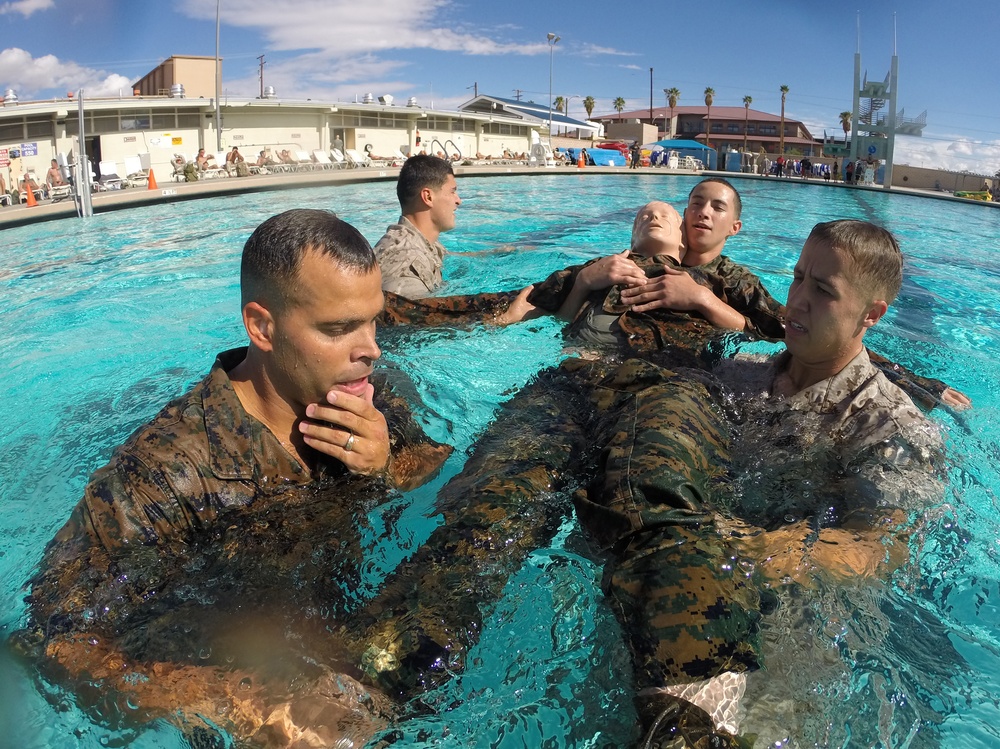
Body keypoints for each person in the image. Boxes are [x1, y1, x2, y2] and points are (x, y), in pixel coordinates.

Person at [345, 218, 945, 747]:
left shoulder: (888, 424)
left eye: (823, 290)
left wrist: (757, 552)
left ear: (871, 315)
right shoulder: (735, 375)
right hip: (660, 575)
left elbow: (886, 546)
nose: (797, 299)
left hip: (774, 612)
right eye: (796, 278)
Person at [16, 209, 453, 747]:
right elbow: (54, 641)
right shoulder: (163, 472)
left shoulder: (361, 398)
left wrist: (385, 465)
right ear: (262, 326)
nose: (371, 349)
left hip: (330, 642)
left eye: (373, 320)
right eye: (339, 329)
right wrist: (244, 702)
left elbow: (430, 470)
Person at [373, 154, 462, 298]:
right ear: (428, 197)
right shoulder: (406, 264)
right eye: (452, 192)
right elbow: (410, 318)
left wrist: (501, 252)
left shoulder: (421, 242)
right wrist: (505, 317)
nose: (458, 201)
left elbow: (450, 256)